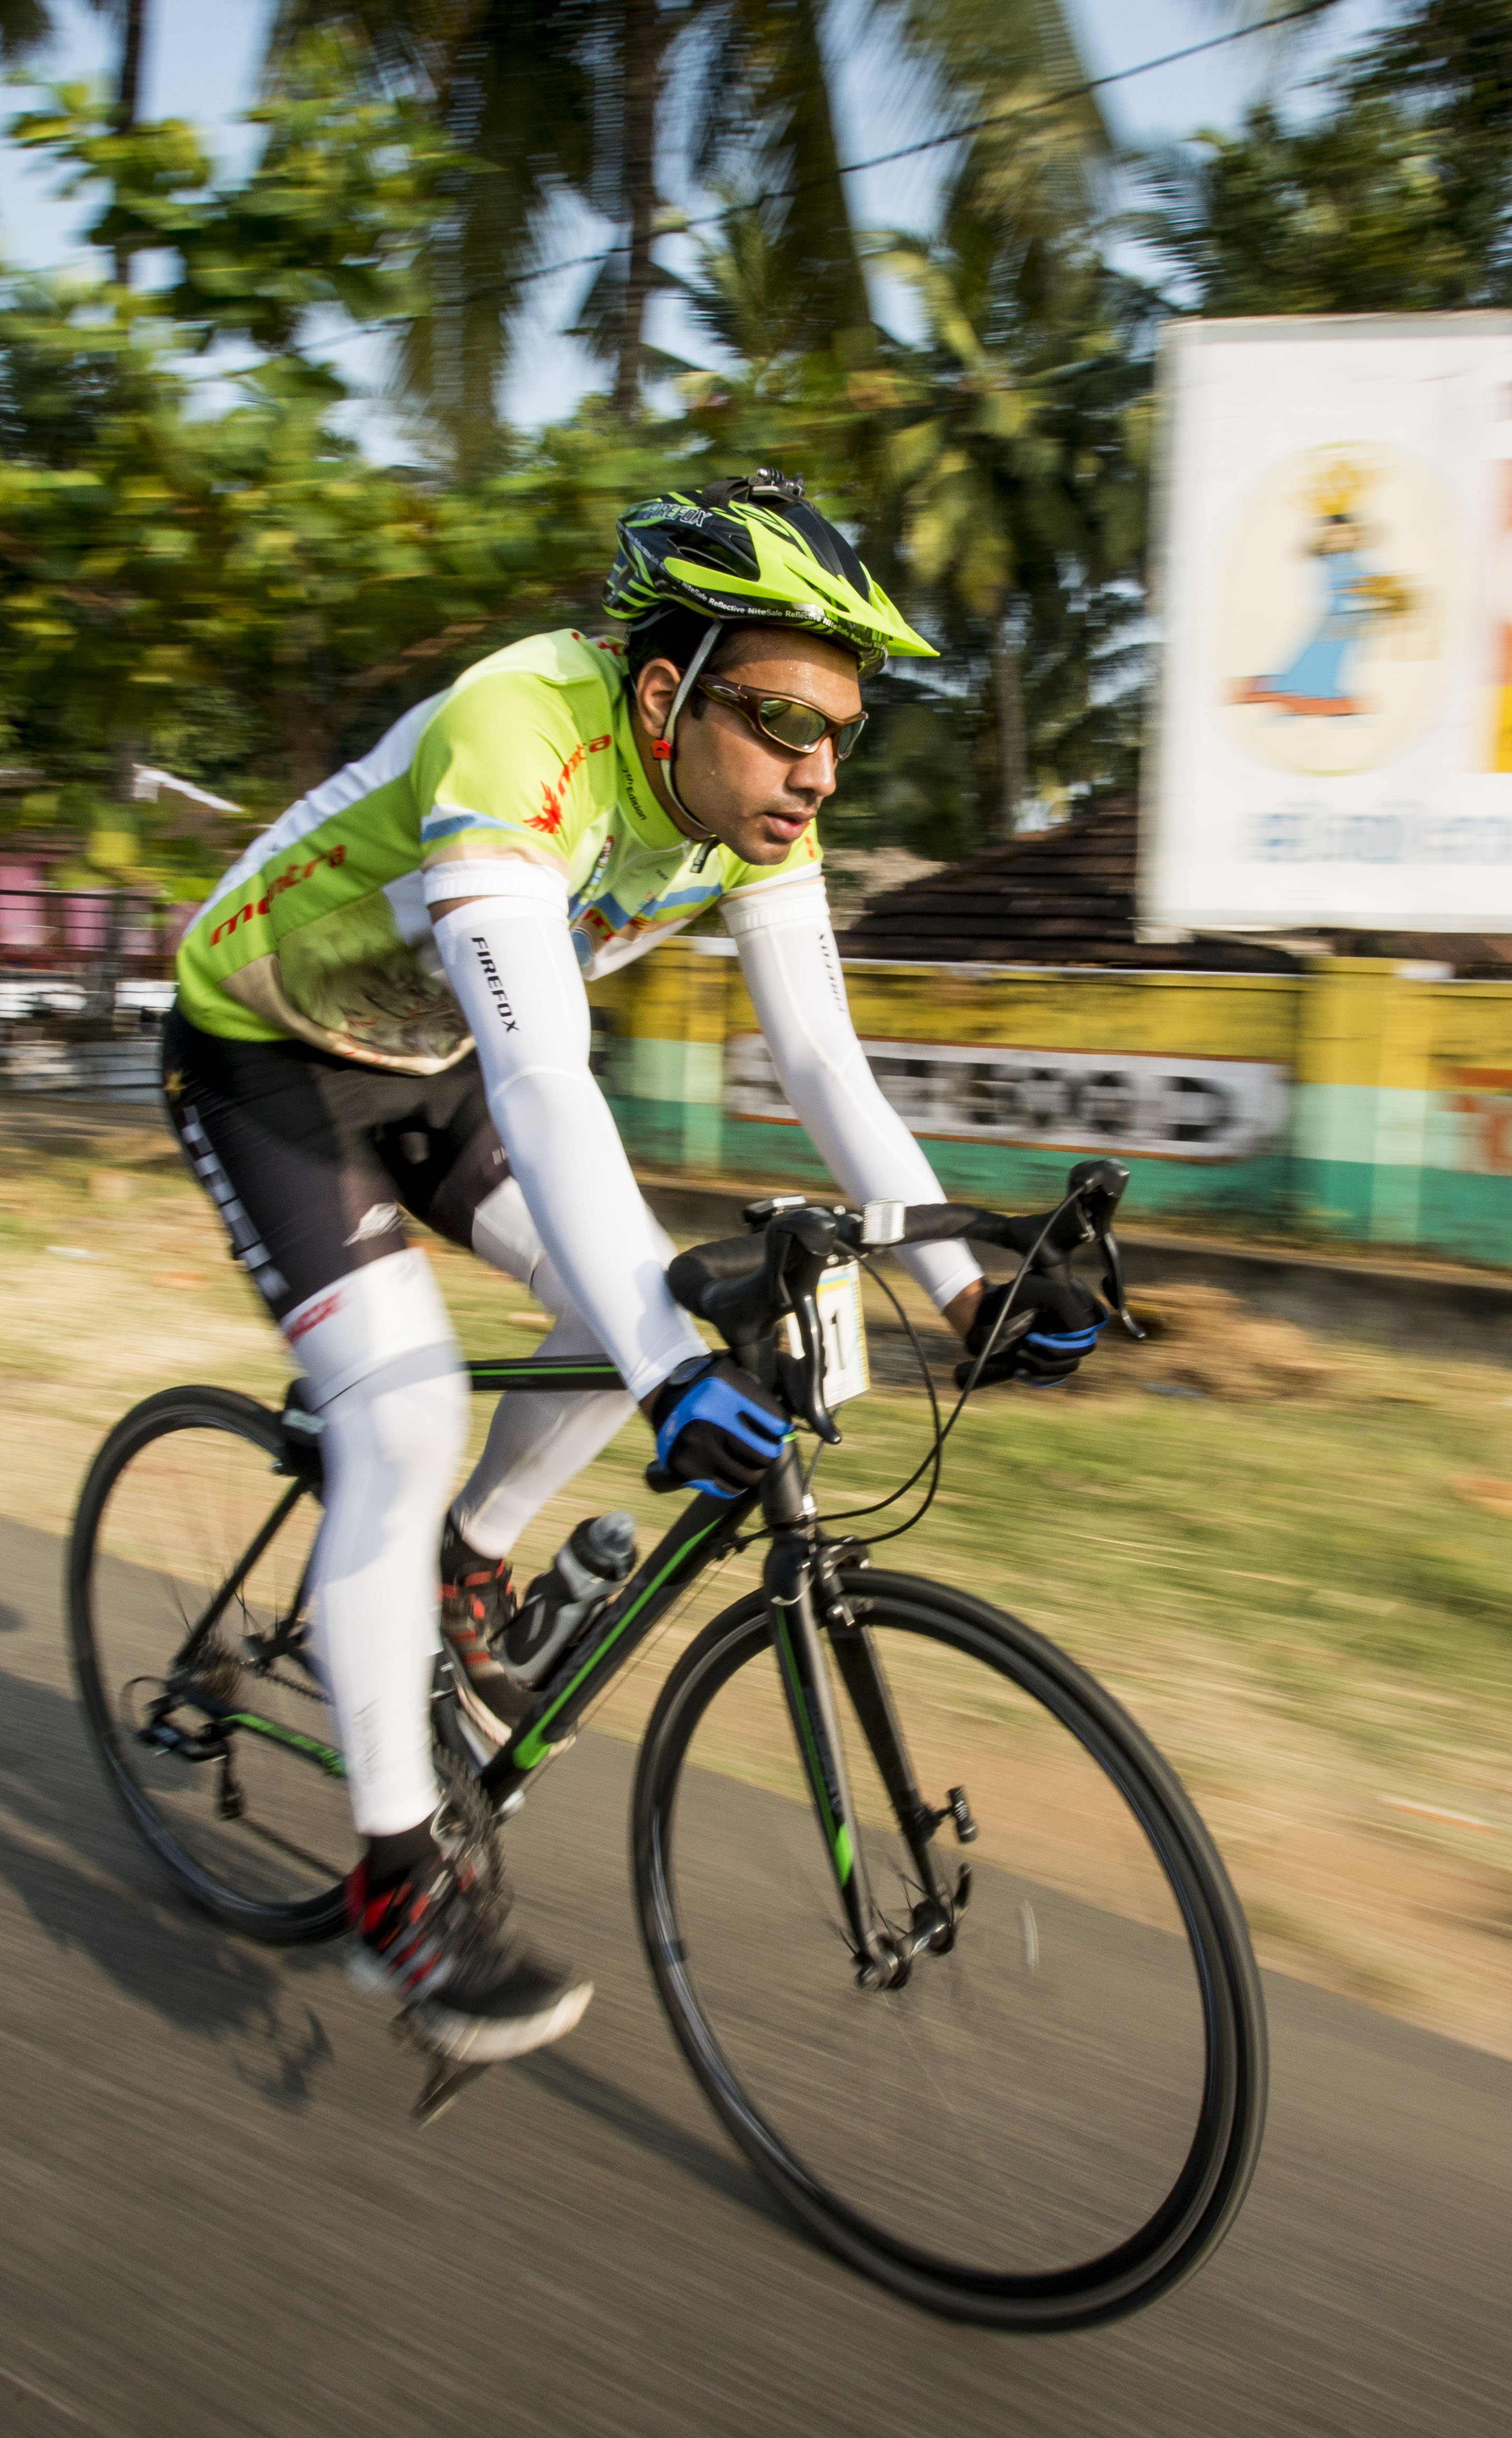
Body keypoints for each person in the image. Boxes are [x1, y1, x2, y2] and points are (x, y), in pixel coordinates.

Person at [161, 473, 1108, 2066]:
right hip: (268, 1053)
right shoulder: (518, 730)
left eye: (840, 734)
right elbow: (548, 1089)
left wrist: (965, 1283)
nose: (816, 770)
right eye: (780, 722)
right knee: (400, 1415)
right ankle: (399, 1888)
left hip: (430, 1056)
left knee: (642, 1300)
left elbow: (817, 1057)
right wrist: (674, 1377)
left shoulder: (749, 815)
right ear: (661, 693)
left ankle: (467, 1561)